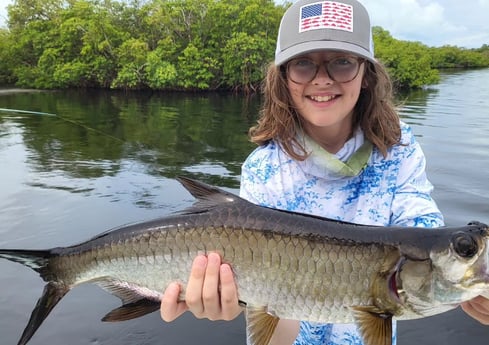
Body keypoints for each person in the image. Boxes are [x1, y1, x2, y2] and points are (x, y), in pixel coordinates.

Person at [160, 0, 489, 343]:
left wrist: (471, 288)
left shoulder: (400, 149)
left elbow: (424, 237)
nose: (322, 79)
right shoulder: (263, 169)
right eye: (303, 64)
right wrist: (239, 300)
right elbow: (275, 332)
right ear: (284, 77)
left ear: (366, 74)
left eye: (342, 63)